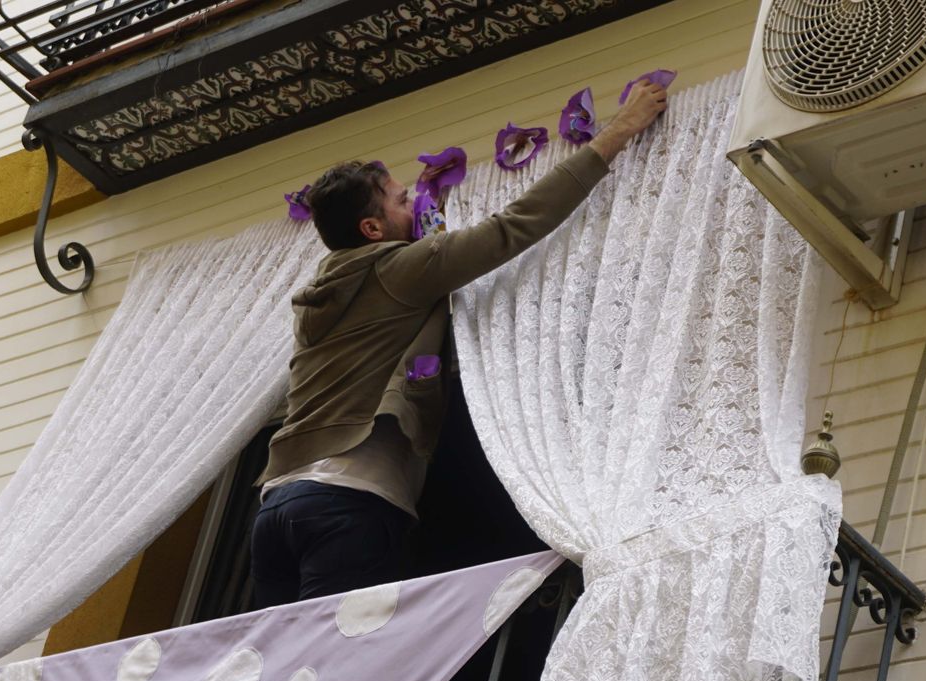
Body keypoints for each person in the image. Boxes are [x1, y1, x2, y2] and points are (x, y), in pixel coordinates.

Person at [250, 79, 670, 607]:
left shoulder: (325, 292)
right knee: (339, 671)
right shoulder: (397, 270)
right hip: (350, 502)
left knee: (279, 670)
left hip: (276, 509)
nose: (415, 208)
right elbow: (515, 225)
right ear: (372, 228)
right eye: (403, 202)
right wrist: (621, 130)